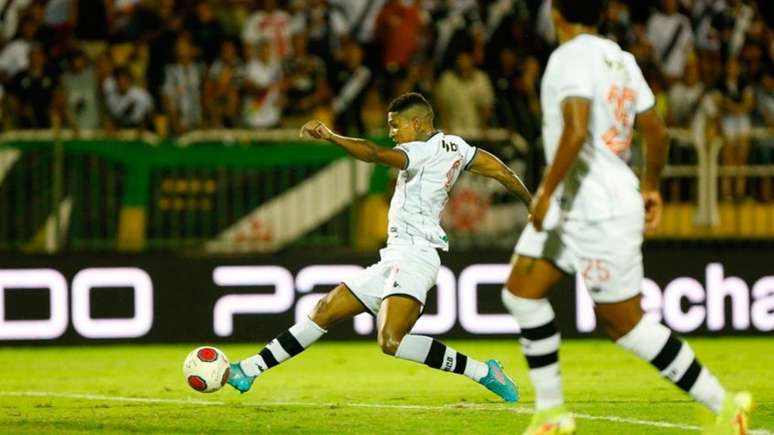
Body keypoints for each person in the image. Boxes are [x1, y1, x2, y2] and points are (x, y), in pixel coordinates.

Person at [500, 1, 753, 434]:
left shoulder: (568, 57)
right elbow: (656, 131)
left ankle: (725, 404)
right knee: (521, 293)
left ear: (557, 13)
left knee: (625, 325)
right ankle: (551, 413)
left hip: (600, 210)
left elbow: (575, 130)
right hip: (578, 204)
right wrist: (651, 186)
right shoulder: (621, 59)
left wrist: (544, 191)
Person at [227, 92, 531, 403]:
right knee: (324, 309)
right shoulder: (456, 146)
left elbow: (373, 153)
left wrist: (330, 136)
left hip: (415, 257)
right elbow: (502, 172)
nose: (391, 133)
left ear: (417, 123)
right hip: (395, 258)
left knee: (391, 340)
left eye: (395, 125)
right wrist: (532, 205)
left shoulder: (420, 151)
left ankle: (483, 372)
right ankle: (249, 369)